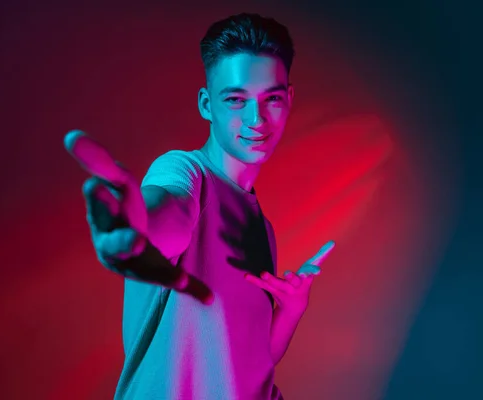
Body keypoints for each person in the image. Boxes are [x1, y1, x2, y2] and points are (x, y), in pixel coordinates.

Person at [65, 13, 335, 400]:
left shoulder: (261, 225)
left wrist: (291, 308)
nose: (256, 119)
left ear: (288, 100)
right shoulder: (185, 172)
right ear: (208, 105)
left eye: (271, 98)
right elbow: (169, 215)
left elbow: (253, 361)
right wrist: (140, 227)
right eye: (236, 100)